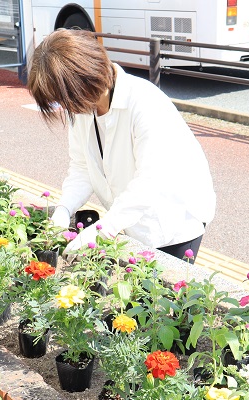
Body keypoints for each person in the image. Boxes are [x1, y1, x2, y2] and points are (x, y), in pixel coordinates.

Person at [26, 29, 215, 262]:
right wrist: (64, 208)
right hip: (131, 219)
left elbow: (151, 181)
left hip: (173, 220)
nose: (65, 107)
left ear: (83, 80)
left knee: (159, 295)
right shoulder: (84, 105)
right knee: (136, 294)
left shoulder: (145, 103)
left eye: (63, 99)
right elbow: (82, 167)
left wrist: (103, 229)